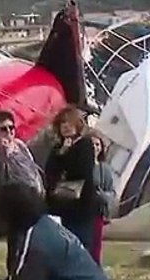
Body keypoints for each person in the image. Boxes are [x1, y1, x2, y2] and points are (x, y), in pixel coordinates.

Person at [43, 105, 104, 264]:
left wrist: (66, 156)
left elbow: (81, 170)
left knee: (82, 245)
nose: (66, 127)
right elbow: (50, 173)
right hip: (61, 207)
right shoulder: (57, 148)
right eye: (62, 124)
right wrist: (62, 152)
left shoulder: (85, 144)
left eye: (69, 123)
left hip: (81, 206)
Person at [0, 109, 45, 273]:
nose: (8, 133)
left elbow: (31, 170)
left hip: (33, 198)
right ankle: (14, 275)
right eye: (3, 129)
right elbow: (11, 168)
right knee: (17, 243)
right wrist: (9, 152)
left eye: (11, 128)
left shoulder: (20, 145)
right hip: (16, 203)